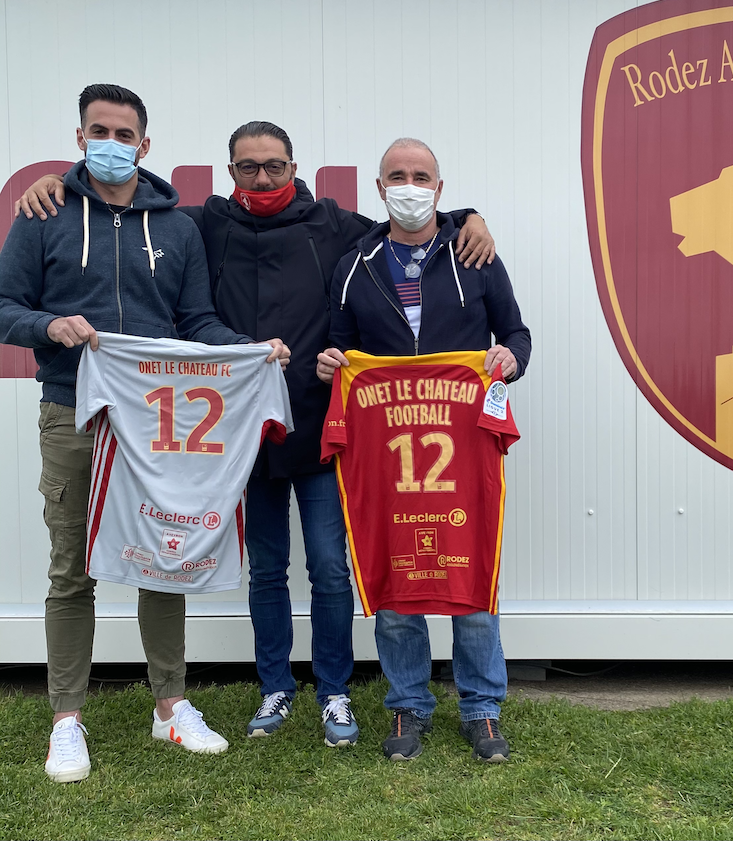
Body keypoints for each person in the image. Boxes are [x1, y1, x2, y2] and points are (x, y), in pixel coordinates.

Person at [16, 122, 495, 747]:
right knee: (266, 569)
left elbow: (405, 226)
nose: (263, 178)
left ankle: (334, 691)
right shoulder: (206, 223)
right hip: (243, 433)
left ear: (295, 167)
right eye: (249, 167)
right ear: (230, 172)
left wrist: (466, 218)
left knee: (330, 568)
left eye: (274, 166)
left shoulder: (333, 224)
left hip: (318, 426)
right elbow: (127, 208)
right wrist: (60, 181)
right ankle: (276, 686)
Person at [0, 84, 289, 783]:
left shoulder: (178, 227)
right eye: (98, 130)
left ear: (145, 144)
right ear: (80, 138)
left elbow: (196, 322)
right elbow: (5, 307)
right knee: (72, 568)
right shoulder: (44, 213)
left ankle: (171, 705)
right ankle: (66, 719)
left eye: (124, 134)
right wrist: (49, 325)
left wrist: (250, 351)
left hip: (159, 423)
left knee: (164, 556)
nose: (111, 143)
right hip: (73, 411)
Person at [317, 137, 529, 763]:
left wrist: (509, 359)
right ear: (379, 188)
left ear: (440, 188)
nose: (408, 186)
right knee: (397, 577)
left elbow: (516, 332)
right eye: (396, 176)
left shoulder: (474, 251)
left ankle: (482, 708)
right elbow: (340, 345)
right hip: (389, 450)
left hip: (461, 444)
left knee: (471, 574)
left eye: (420, 176)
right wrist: (333, 366)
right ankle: (407, 703)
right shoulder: (355, 265)